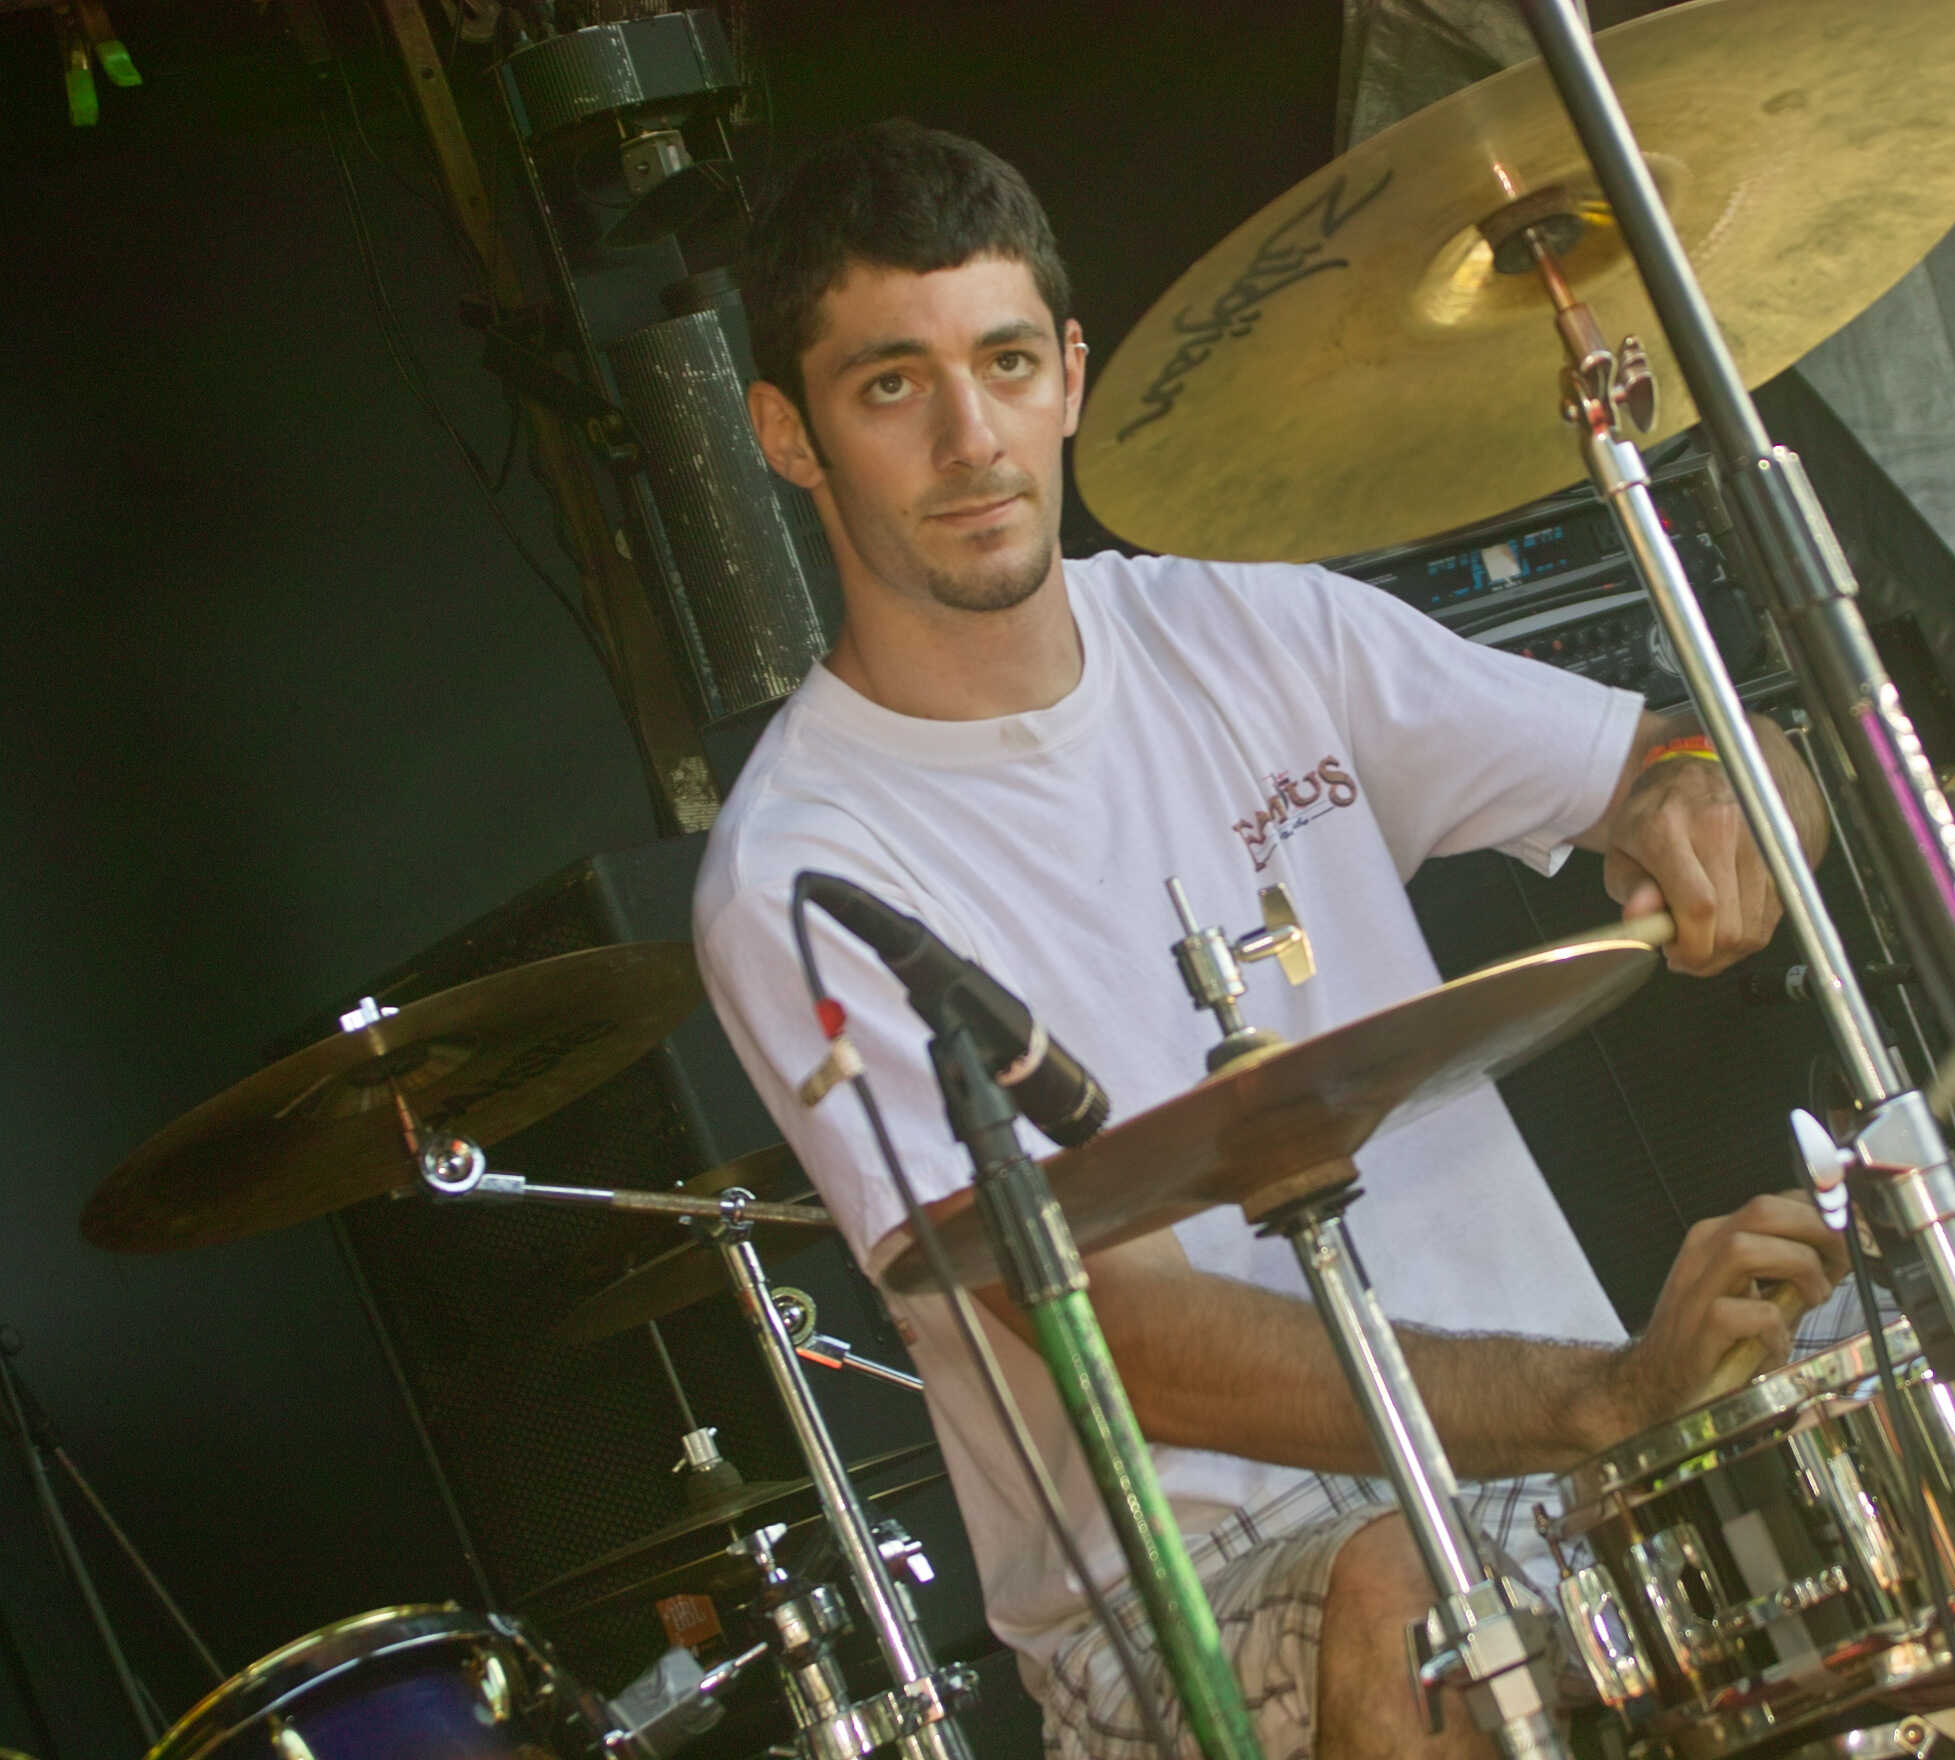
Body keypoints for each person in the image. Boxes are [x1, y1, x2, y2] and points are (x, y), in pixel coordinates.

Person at [695, 118, 1846, 1760]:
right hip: (1186, 1589)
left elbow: (1695, 755)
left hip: (1563, 1446)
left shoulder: (1250, 628)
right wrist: (1598, 1400)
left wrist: (1715, 796)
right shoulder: (802, 872)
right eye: (892, 386)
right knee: (1410, 1599)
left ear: (1070, 374)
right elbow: (1133, 1344)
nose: (971, 438)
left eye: (1005, 363)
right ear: (785, 436)